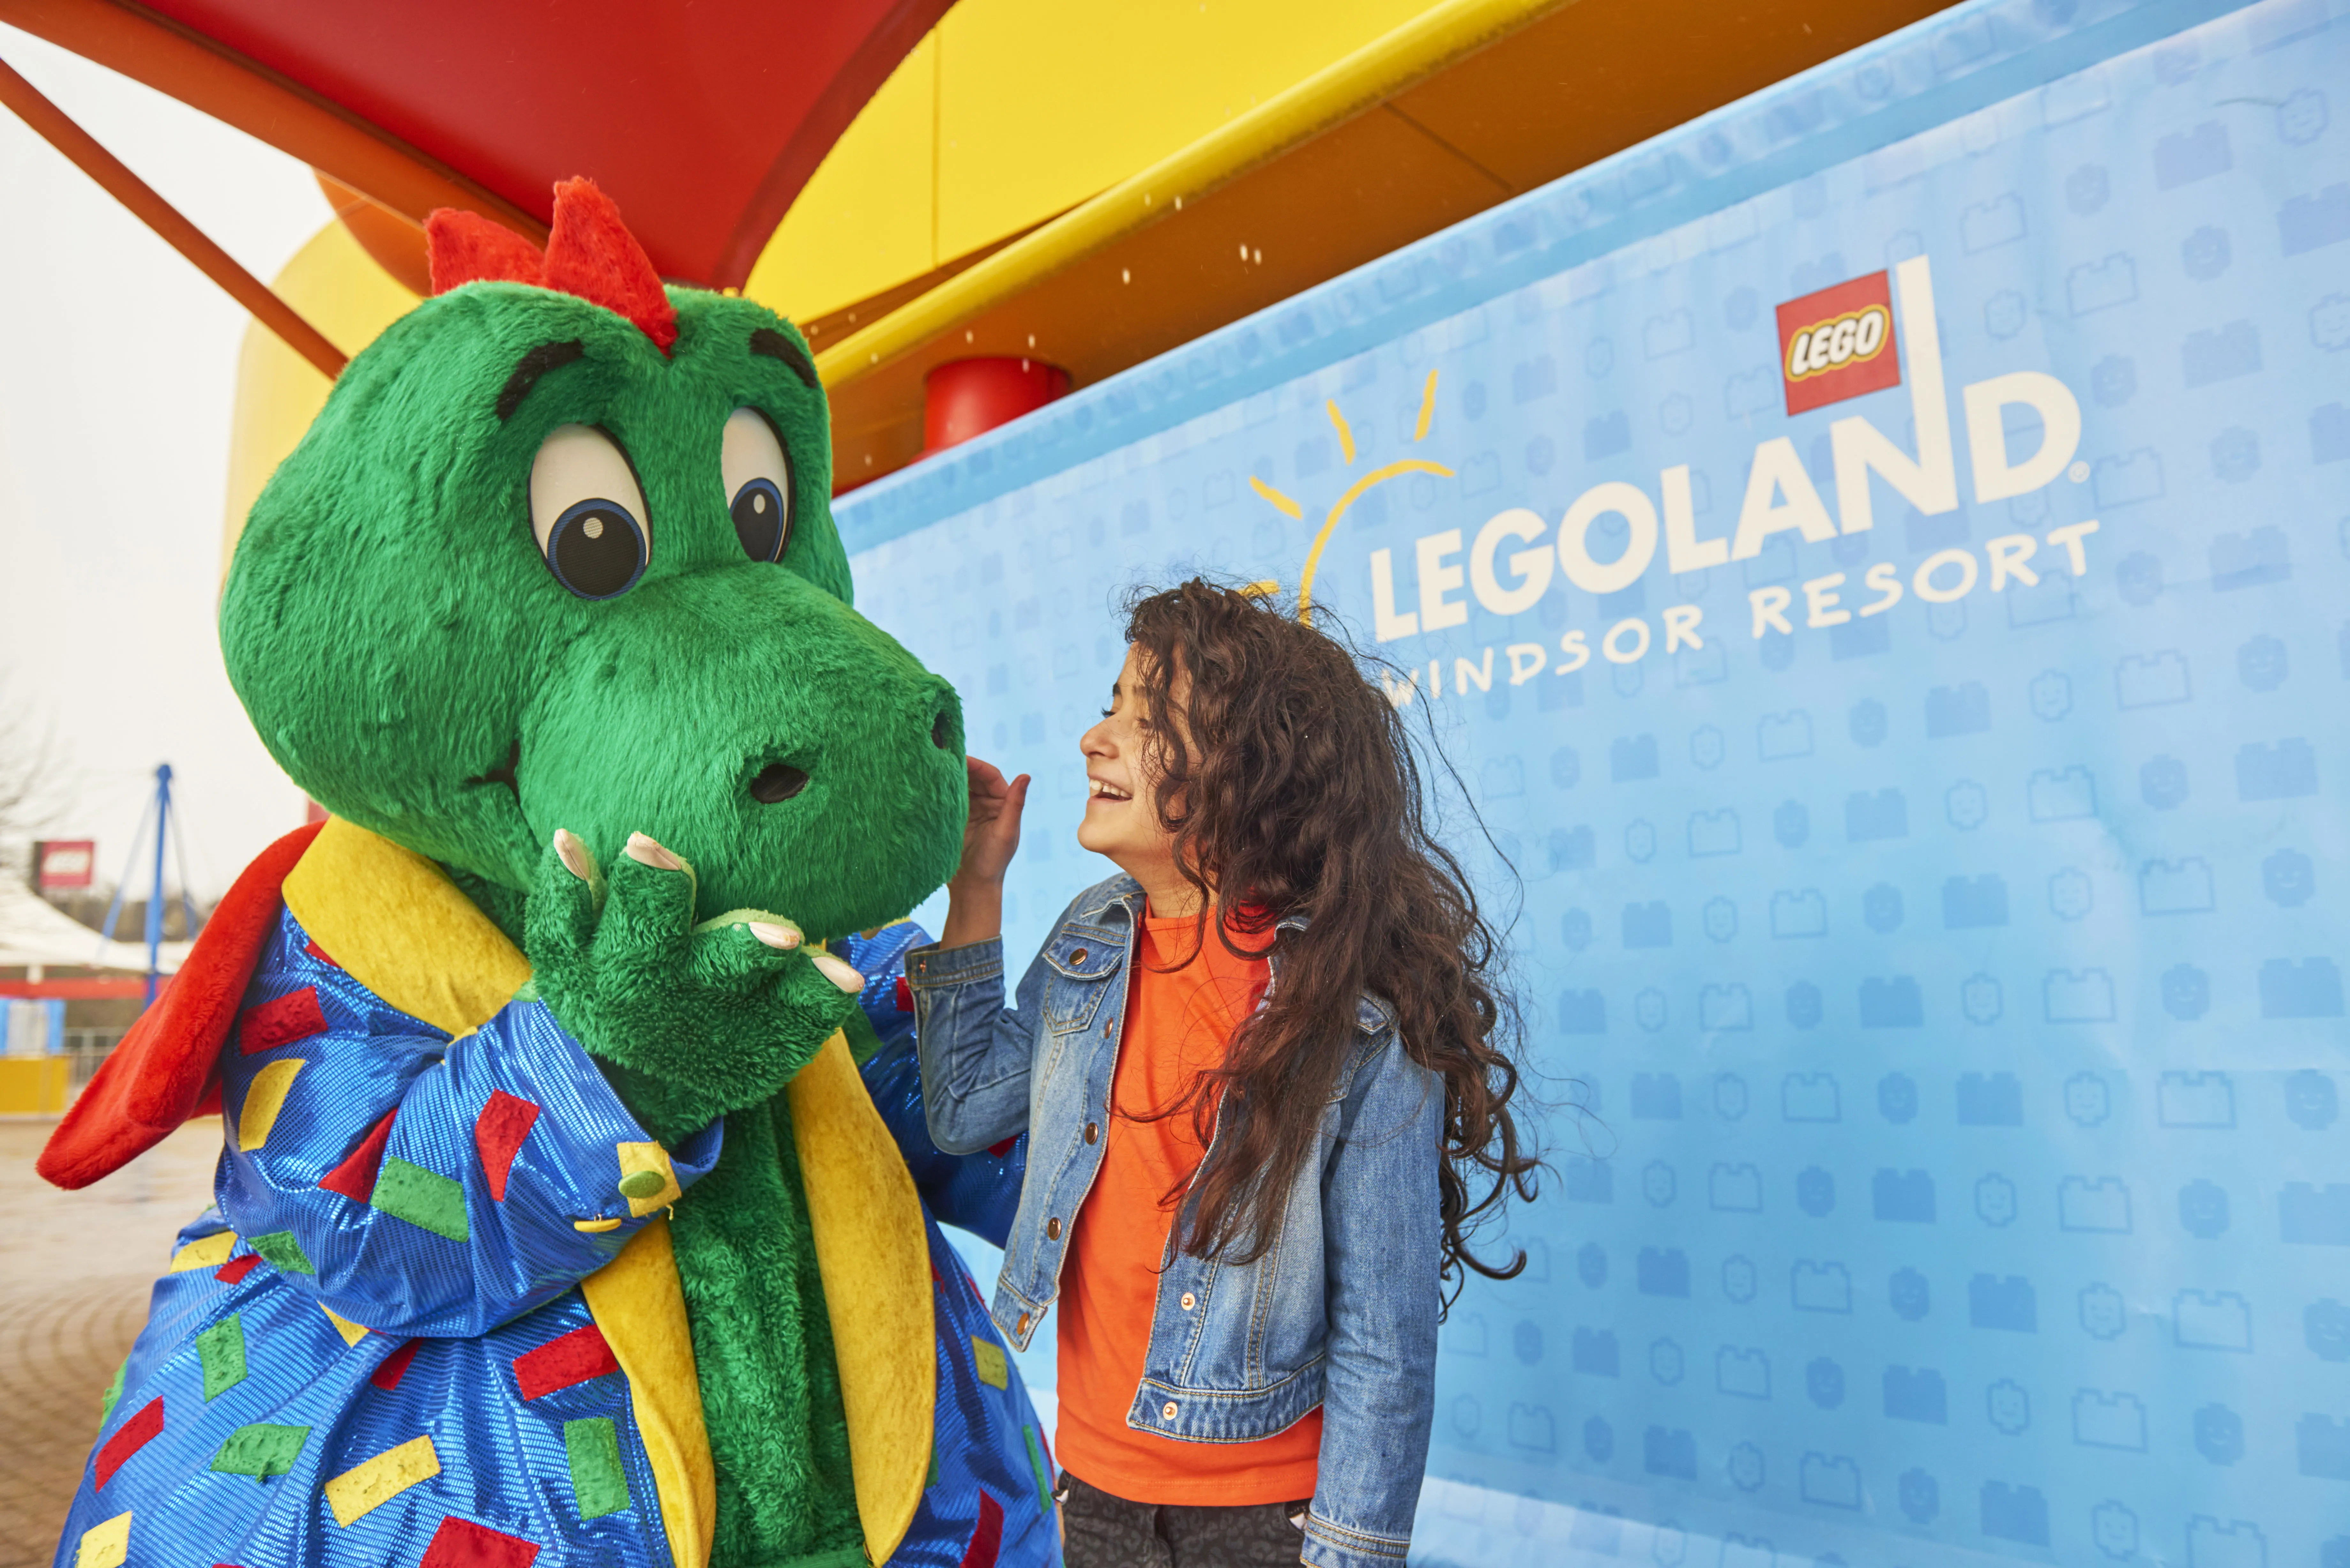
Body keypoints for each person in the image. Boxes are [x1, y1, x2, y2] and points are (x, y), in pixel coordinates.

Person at [906, 579, 1541, 1568]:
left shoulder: (1353, 1013)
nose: (1096, 736)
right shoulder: (1093, 937)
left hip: (1264, 1526)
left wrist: (1347, 1555)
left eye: (1147, 717)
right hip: (1091, 1491)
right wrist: (976, 885)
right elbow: (961, 1108)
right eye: (1110, 702)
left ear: (1250, 769)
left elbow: (1386, 1342)